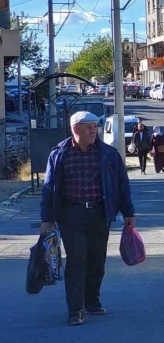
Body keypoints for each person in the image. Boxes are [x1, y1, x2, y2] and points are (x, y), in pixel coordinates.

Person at [40, 111, 135, 326]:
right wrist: (47, 218)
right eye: (89, 127)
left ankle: (92, 301)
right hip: (71, 215)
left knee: (97, 261)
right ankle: (75, 310)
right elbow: (48, 188)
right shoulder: (59, 154)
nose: (94, 130)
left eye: (95, 126)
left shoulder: (108, 154)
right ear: (76, 129)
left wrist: (128, 213)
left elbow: (122, 185)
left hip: (99, 214)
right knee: (76, 261)